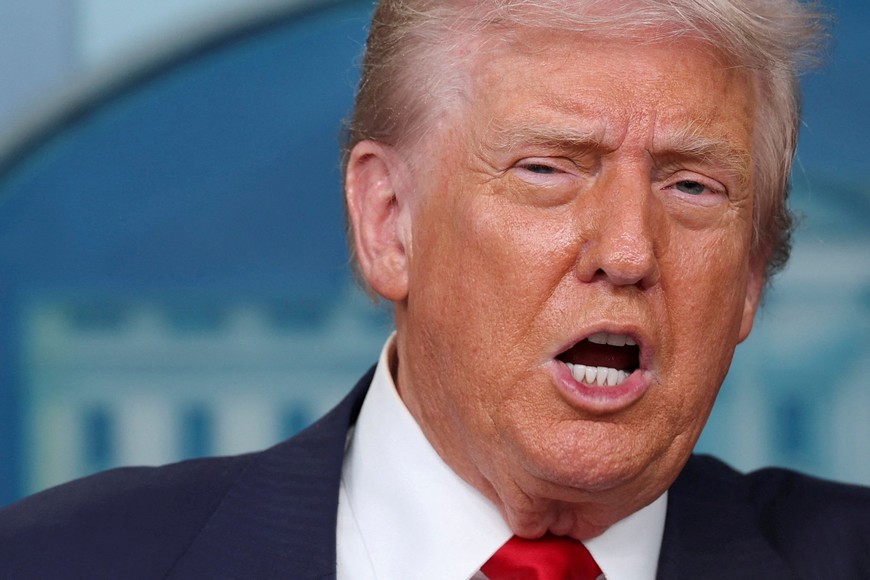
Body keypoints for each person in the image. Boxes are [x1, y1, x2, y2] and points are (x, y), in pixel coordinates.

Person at [1, 0, 868, 578]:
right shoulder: (56, 562)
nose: (629, 250)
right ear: (389, 223)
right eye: (548, 168)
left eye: (693, 187)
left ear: (751, 275)